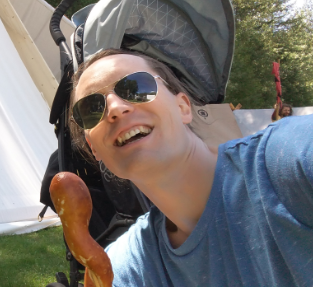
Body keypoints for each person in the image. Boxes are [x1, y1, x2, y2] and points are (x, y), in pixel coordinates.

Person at [69, 48, 313, 286]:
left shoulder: (287, 158)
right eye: (91, 109)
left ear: (183, 107)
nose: (114, 108)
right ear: (94, 148)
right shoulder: (125, 269)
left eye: (136, 87)